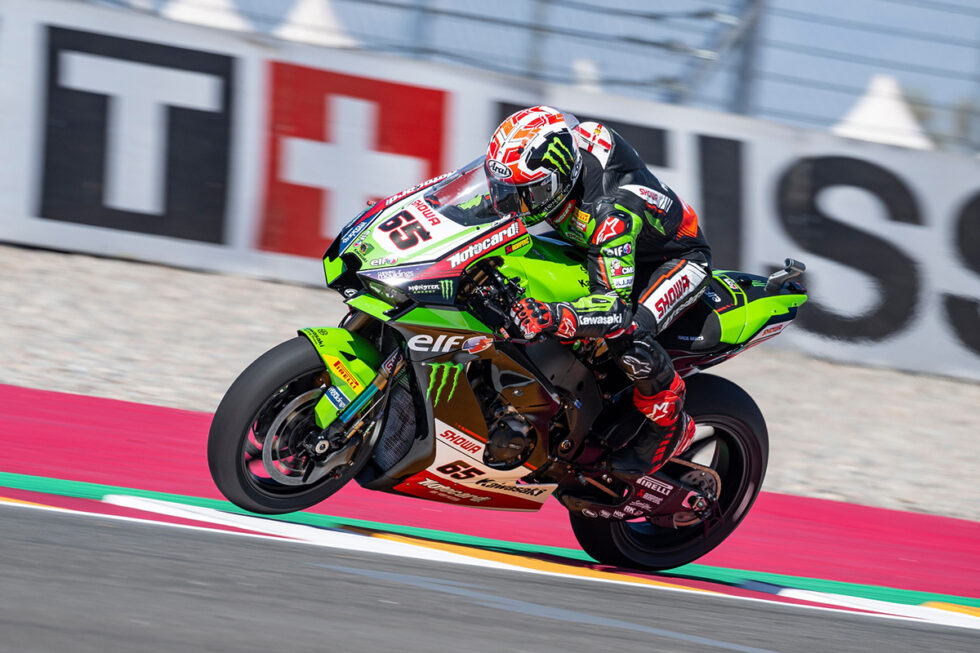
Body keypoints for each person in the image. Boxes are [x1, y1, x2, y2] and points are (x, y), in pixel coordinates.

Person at [486, 105, 712, 476]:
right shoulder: (562, 155)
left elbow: (613, 310)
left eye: (529, 192)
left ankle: (669, 423)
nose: (513, 203)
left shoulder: (610, 214)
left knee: (628, 334)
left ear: (561, 178)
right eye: (506, 190)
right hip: (598, 246)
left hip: (671, 261)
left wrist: (552, 315)